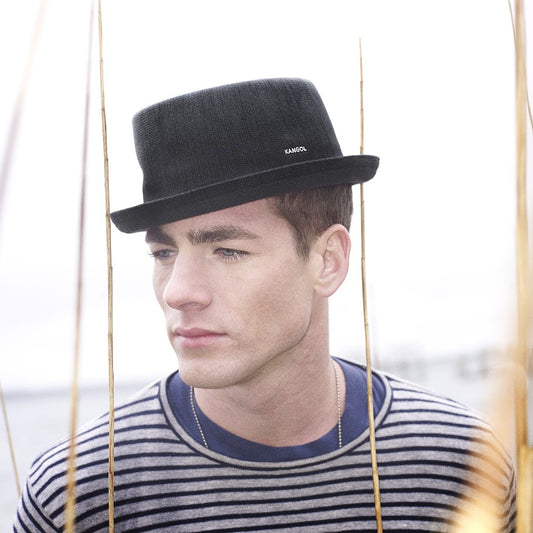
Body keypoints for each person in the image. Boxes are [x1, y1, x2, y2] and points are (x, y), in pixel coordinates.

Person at [14, 78, 515, 532]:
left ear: (328, 260)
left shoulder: (463, 462)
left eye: (227, 251)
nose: (177, 291)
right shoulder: (78, 494)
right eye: (164, 253)